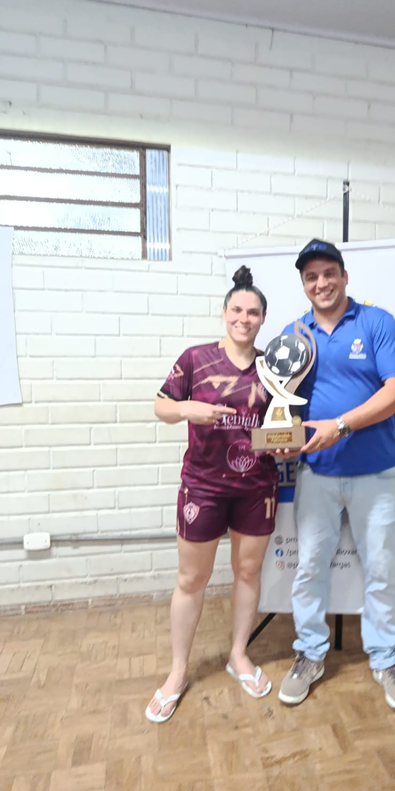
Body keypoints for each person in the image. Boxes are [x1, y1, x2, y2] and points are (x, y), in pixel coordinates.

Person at [277, 238, 395, 711]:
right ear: (304, 284)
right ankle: (310, 654)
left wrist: (340, 425)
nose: (321, 283)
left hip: (376, 475)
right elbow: (282, 401)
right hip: (316, 475)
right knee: (309, 570)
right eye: (311, 277)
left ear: (344, 276)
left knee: (382, 572)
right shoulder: (294, 333)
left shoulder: (377, 322)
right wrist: (280, 437)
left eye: (328, 273)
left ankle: (385, 658)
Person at [145, 266, 279, 723]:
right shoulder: (195, 358)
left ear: (263, 319)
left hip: (256, 485)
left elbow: (282, 426)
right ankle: (178, 671)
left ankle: (238, 654)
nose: (244, 318)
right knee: (191, 580)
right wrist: (188, 408)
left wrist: (283, 440)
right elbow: (161, 406)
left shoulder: (273, 366)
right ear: (224, 313)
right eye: (237, 310)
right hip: (203, 485)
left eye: (253, 312)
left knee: (248, 571)